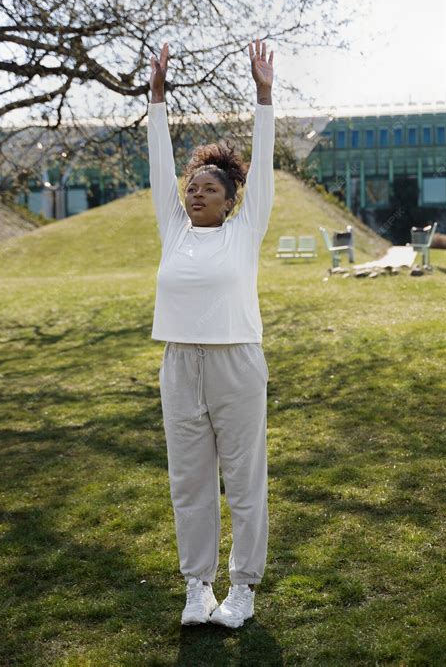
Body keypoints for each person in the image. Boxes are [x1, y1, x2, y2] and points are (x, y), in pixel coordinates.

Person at [148, 38, 275, 628]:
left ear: (230, 202)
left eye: (208, 188)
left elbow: (265, 169)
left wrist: (264, 96)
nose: (195, 191)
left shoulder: (243, 233)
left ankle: (242, 587)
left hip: (236, 365)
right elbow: (159, 165)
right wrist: (156, 98)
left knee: (244, 480)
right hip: (180, 364)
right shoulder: (173, 231)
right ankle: (198, 586)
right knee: (190, 482)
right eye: (191, 186)